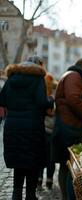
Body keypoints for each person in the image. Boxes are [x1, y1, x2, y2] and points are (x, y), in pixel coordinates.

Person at [0, 56, 53, 200]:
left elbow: (2, 99)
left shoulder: (11, 78)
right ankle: (30, 195)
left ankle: (16, 194)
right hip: (32, 127)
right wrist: (50, 101)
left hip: (13, 126)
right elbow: (41, 102)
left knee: (19, 162)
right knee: (32, 162)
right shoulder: (37, 79)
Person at [53, 58, 82, 200]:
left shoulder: (69, 75)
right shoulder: (74, 76)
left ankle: (66, 196)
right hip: (70, 128)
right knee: (69, 166)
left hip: (66, 126)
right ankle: (68, 197)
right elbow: (74, 99)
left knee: (66, 165)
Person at [37, 73, 57, 190]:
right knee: (50, 157)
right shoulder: (51, 97)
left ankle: (39, 179)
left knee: (41, 155)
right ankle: (48, 180)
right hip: (51, 130)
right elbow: (52, 112)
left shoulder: (40, 95)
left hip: (42, 129)